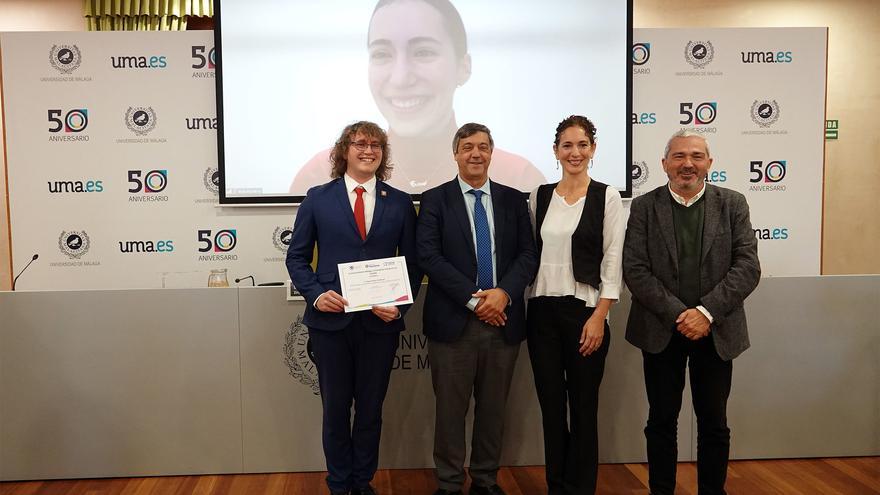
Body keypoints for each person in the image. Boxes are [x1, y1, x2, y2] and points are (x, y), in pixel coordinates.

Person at [285, 121, 422, 495]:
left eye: (376, 144)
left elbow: (414, 263)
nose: (369, 150)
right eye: (360, 143)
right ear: (344, 150)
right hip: (331, 323)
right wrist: (314, 294)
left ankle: (362, 482)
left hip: (380, 324)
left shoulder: (399, 202)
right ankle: (338, 483)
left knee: (370, 411)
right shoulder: (317, 197)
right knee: (335, 411)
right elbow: (297, 258)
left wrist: (400, 308)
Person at [623, 130, 761, 495]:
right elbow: (635, 268)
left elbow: (747, 267)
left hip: (716, 332)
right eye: (679, 156)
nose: (688, 164)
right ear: (664, 163)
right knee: (661, 421)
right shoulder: (643, 207)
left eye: (697, 156)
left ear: (709, 164)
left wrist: (705, 312)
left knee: (714, 423)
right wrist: (679, 315)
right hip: (660, 330)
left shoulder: (733, 204)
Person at [290, 0, 545, 195]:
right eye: (382, 54)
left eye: (423, 52)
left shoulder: (516, 178)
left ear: (463, 67)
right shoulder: (321, 174)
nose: (401, 78)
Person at [416, 123, 538, 495]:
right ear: (455, 153)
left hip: (504, 321)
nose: (475, 153)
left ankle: (485, 480)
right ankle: (450, 483)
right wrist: (474, 299)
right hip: (454, 322)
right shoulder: (435, 200)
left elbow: (528, 254)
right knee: (450, 412)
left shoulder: (513, 199)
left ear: (491, 152)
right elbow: (429, 257)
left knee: (493, 410)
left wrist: (503, 294)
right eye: (467, 146)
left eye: (483, 147)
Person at [526, 115, 624, 495]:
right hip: (542, 313)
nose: (575, 152)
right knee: (552, 408)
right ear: (555, 151)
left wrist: (601, 315)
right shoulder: (540, 195)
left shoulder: (607, 196)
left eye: (582, 145)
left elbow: (613, 258)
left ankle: (581, 487)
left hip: (586, 313)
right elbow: (530, 253)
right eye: (567, 145)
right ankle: (557, 486)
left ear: (593, 150)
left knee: (583, 409)